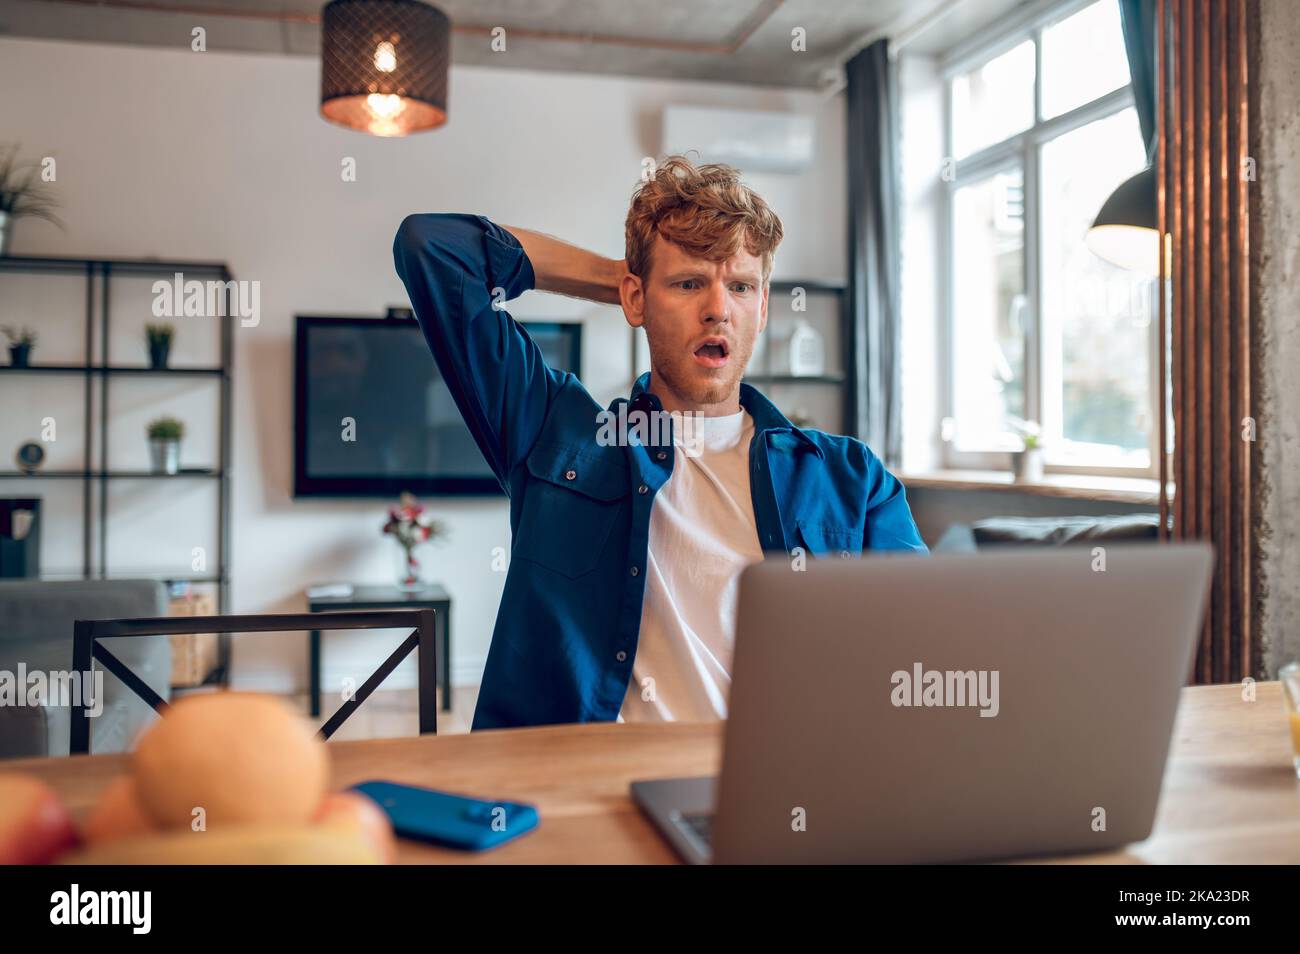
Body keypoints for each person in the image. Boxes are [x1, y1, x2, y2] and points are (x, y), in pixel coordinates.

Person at [393, 155, 926, 731]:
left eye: (741, 286)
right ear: (635, 299)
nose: (719, 308)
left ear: (764, 307)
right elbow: (434, 248)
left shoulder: (850, 477)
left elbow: (922, 645)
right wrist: (625, 282)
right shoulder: (557, 435)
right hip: (591, 787)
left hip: (775, 789)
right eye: (690, 283)